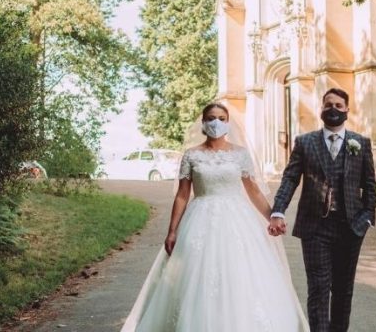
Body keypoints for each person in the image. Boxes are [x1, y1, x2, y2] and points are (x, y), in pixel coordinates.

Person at [121, 103, 309, 332]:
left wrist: (272, 217)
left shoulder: (240, 154)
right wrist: (172, 231)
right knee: (195, 277)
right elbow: (182, 196)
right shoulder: (191, 155)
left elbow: (254, 191)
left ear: (228, 123)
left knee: (240, 273)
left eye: (221, 118)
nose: (216, 123)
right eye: (211, 118)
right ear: (203, 123)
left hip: (238, 220)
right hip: (200, 219)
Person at [268, 88, 376, 332]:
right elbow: (289, 179)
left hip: (351, 227)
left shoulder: (360, 143)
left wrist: (367, 217)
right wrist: (278, 211)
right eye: (328, 105)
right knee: (318, 288)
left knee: (342, 289)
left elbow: (369, 185)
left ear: (347, 110)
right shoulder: (305, 142)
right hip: (315, 227)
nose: (333, 110)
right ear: (321, 109)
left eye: (339, 106)